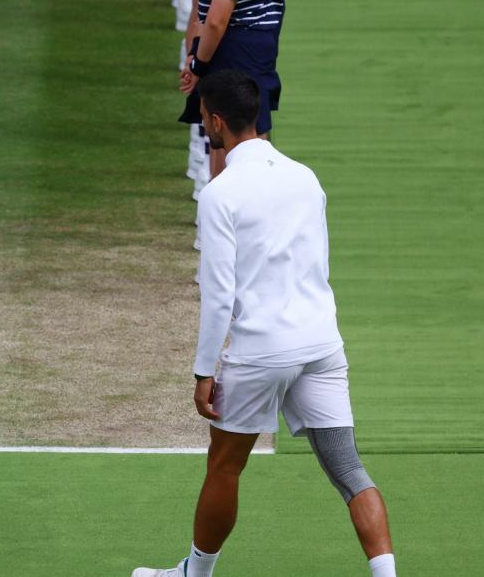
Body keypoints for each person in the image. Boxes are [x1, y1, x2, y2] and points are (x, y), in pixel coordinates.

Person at [133, 70, 396, 576]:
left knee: (225, 465)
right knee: (349, 471)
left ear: (214, 120)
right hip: (321, 344)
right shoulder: (306, 176)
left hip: (261, 351)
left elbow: (217, 295)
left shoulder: (219, 194)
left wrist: (203, 371)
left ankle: (196, 574)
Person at [179, 0, 285, 180]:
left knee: (235, 143)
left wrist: (198, 65)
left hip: (239, 47)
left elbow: (217, 19)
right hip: (241, 44)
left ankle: (230, 208)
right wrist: (196, 51)